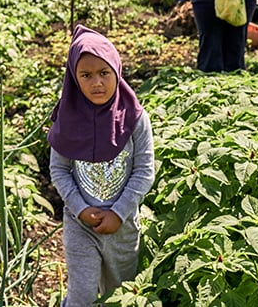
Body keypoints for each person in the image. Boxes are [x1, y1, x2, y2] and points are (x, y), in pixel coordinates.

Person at [47, 25, 155, 307]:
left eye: (104, 73)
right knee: (81, 295)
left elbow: (144, 170)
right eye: (86, 75)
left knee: (119, 296)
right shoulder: (67, 120)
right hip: (80, 225)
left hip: (123, 228)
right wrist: (80, 209)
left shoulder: (135, 119)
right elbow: (59, 169)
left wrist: (119, 213)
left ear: (116, 71)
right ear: (74, 78)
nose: (96, 83)